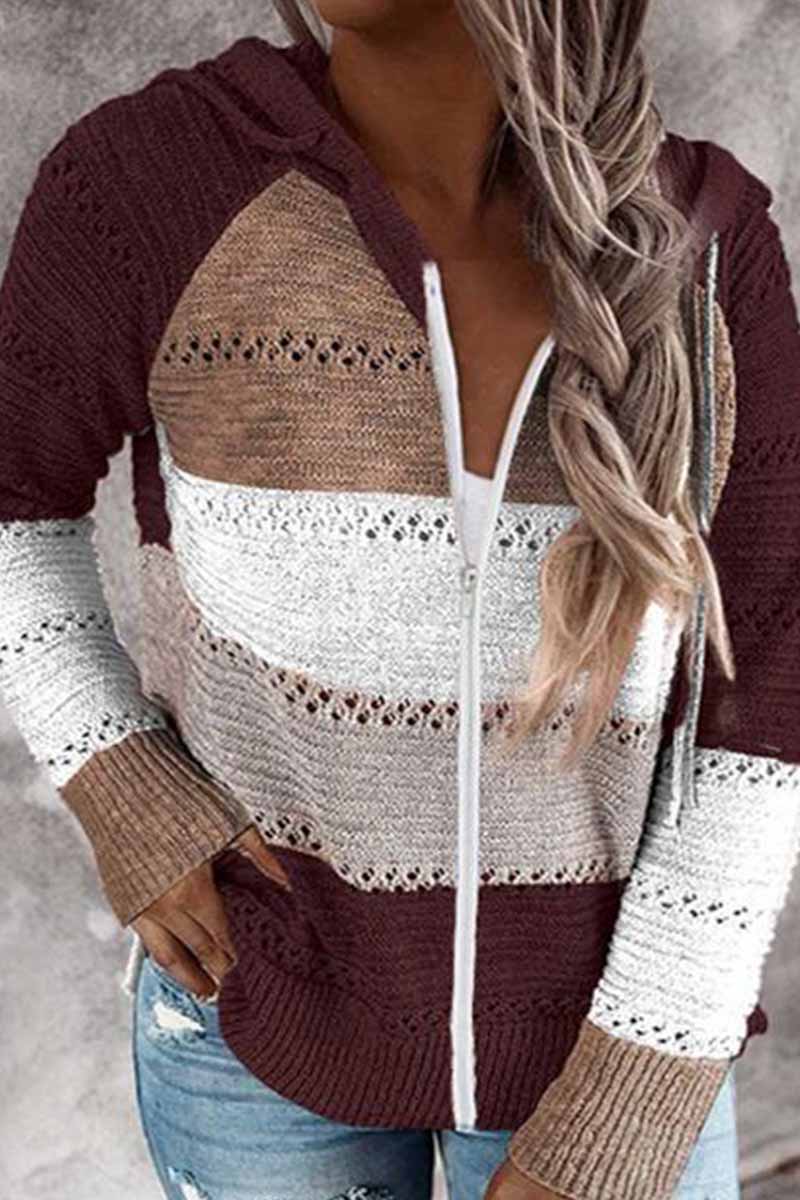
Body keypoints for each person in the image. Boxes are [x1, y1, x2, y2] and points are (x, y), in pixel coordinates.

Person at [1, 1, 798, 1197]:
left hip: (613, 1040)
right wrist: (114, 775)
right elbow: (14, 496)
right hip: (255, 1018)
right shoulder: (159, 181)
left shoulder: (703, 247)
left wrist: (631, 1095)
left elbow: (765, 690)